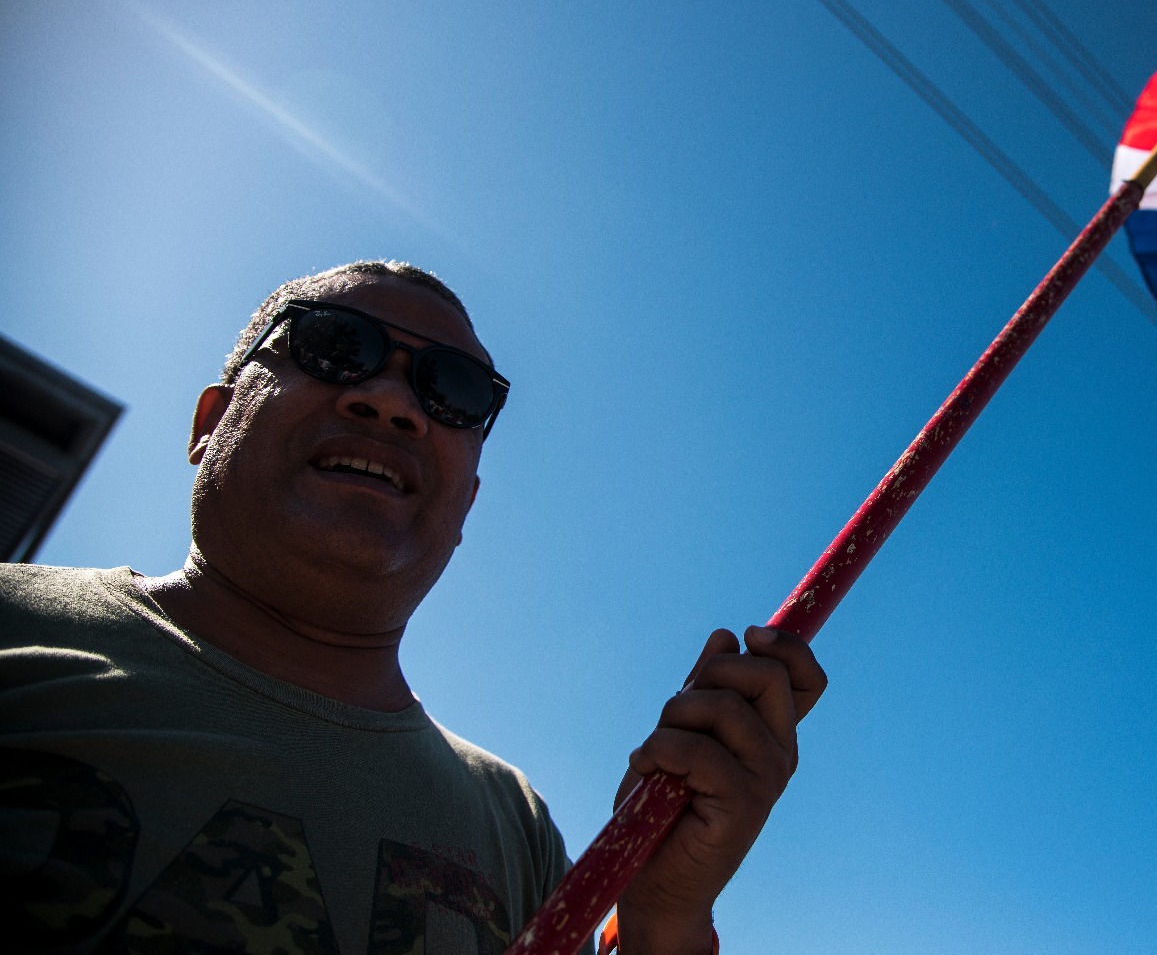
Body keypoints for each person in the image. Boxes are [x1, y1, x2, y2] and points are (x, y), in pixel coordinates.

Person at [0, 260, 826, 955]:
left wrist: (664, 915)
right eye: (334, 345)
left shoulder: (518, 827)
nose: (393, 401)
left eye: (453, 390)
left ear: (466, 502)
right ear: (211, 422)